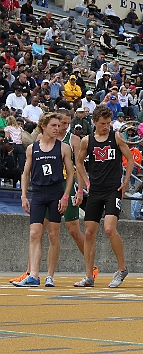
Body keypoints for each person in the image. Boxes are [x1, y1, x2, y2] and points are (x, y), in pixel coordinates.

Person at [73, 105, 135, 288]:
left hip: (112, 189)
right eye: (102, 124)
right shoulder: (87, 141)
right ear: (94, 122)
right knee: (90, 232)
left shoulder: (116, 137)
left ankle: (121, 269)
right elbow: (79, 163)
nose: (106, 126)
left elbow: (130, 159)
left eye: (108, 123)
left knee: (109, 228)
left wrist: (125, 182)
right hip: (95, 190)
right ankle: (89, 276)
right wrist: (85, 183)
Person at [12, 113, 74, 287]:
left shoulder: (63, 148)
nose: (57, 128)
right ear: (43, 126)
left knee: (53, 234)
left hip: (55, 192)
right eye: (53, 125)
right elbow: (25, 173)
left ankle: (50, 275)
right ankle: (33, 275)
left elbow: (70, 174)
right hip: (38, 193)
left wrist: (65, 195)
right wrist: (24, 195)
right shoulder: (33, 148)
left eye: (58, 125)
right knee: (34, 233)